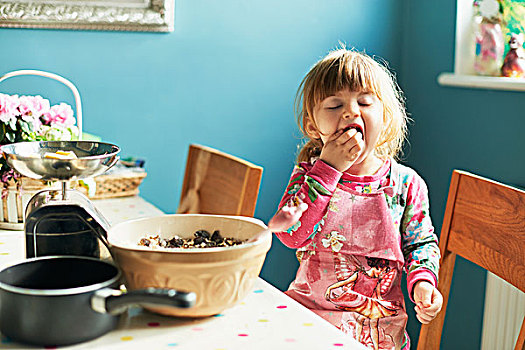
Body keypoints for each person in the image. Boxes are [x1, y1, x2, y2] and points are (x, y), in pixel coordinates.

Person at [268, 48, 443, 350]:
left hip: (377, 331)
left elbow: (420, 243)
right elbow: (290, 234)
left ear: (384, 118)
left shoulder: (406, 184)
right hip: (308, 320)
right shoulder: (309, 176)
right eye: (335, 105)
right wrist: (328, 170)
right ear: (313, 126)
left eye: (364, 102)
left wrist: (424, 282)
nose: (350, 112)